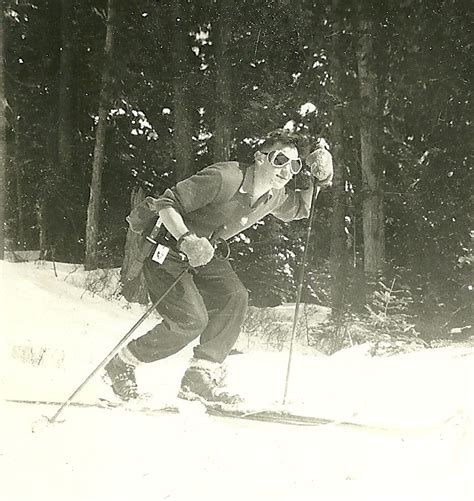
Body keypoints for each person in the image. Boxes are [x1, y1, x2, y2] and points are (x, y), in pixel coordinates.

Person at [105, 129, 332, 405]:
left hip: (205, 253)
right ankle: (122, 364)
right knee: (191, 320)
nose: (287, 171)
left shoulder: (274, 195)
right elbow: (167, 203)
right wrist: (186, 239)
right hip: (168, 249)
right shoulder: (224, 177)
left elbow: (300, 208)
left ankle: (199, 376)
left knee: (234, 296)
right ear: (260, 158)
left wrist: (321, 177)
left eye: (294, 165)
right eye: (280, 160)